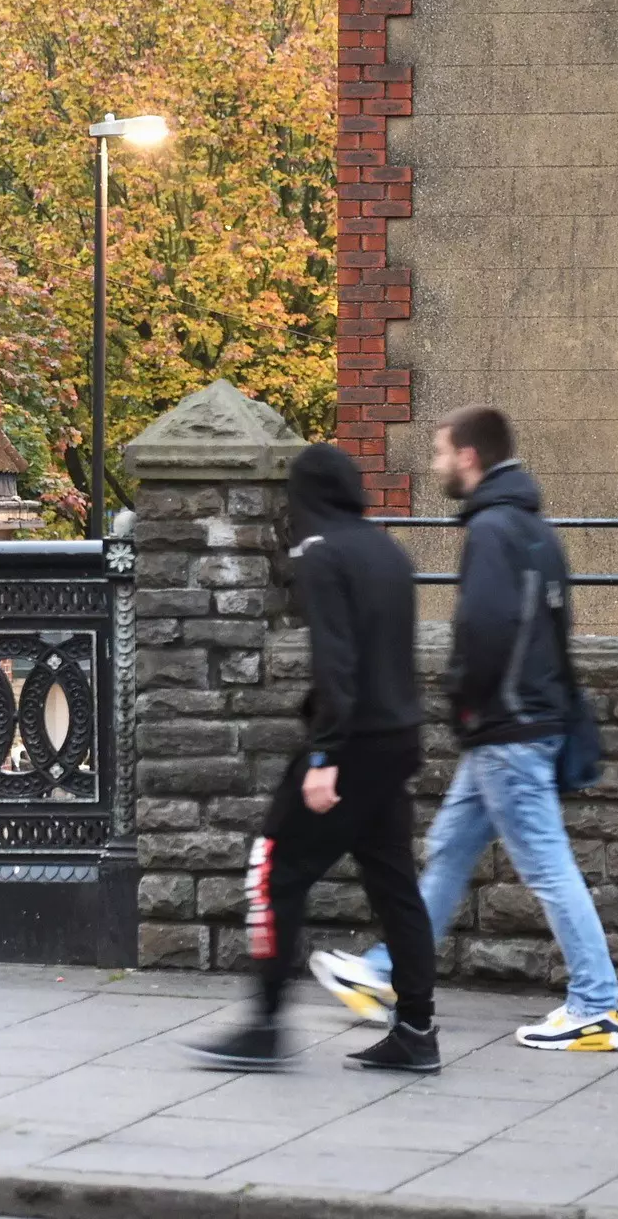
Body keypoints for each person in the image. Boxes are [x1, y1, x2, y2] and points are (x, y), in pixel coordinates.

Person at [308, 406, 618, 1051]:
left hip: (507, 729)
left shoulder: (492, 531)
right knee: (449, 850)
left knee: (547, 868)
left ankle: (595, 1005)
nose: (434, 464)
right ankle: (389, 973)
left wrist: (467, 702)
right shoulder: (536, 529)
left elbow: (483, 628)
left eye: (440, 452)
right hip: (521, 725)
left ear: (470, 457)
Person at [184, 443, 439, 1073]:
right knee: (395, 888)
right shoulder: (387, 551)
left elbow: (336, 659)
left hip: (347, 745)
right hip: (396, 739)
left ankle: (264, 1026)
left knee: (274, 870)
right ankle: (417, 1030)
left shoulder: (322, 553)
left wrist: (324, 755)